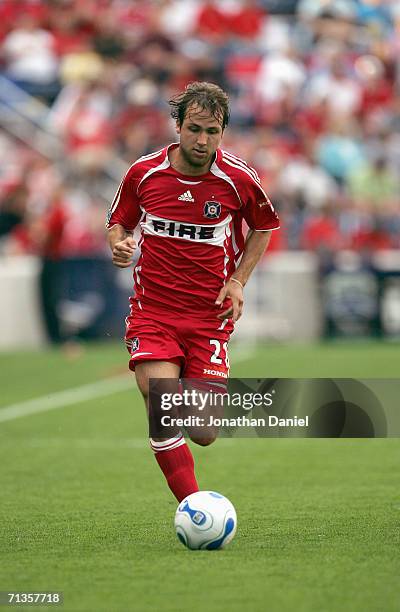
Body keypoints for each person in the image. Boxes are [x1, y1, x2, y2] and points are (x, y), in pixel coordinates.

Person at [106, 82, 279, 502]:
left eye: (213, 132)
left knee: (203, 432)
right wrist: (119, 243)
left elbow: (263, 228)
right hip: (154, 311)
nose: (202, 141)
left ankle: (187, 380)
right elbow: (119, 222)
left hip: (208, 318)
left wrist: (238, 280)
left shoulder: (238, 179)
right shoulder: (143, 173)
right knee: (160, 400)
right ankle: (194, 505)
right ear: (178, 126)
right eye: (195, 129)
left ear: (223, 132)